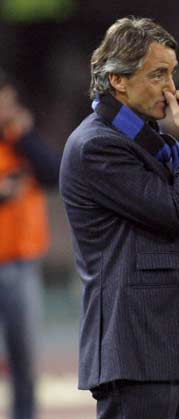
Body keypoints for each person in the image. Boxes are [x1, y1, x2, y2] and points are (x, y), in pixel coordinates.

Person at [60, 17, 179, 419]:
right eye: (157, 74)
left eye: (171, 73)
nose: (170, 88)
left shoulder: (152, 143)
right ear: (119, 80)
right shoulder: (96, 146)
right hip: (138, 351)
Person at [0, 69, 60, 419]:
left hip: (22, 263)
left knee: (24, 357)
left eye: (8, 100)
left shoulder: (22, 140)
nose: (6, 108)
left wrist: (25, 136)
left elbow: (54, 174)